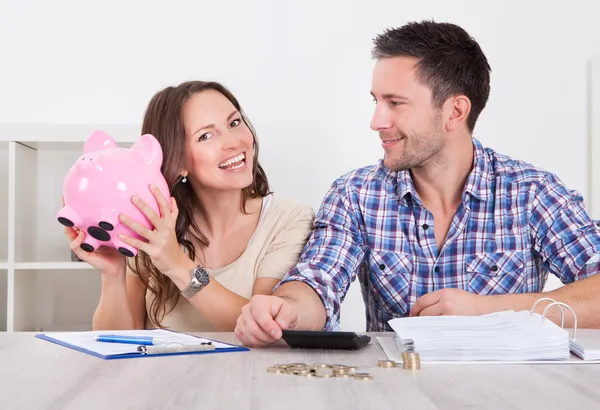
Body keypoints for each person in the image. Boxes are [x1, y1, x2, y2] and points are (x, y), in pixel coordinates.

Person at [234, 20, 600, 347]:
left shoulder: (533, 193)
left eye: (395, 103)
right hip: (395, 392)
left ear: (455, 112)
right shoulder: (356, 194)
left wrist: (491, 310)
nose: (376, 121)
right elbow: (317, 282)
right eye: (376, 101)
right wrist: (285, 310)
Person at [64, 80, 315, 332]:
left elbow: (266, 327)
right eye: (206, 135)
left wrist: (177, 264)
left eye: (234, 123)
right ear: (177, 159)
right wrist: (113, 274)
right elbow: (118, 343)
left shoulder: (289, 219)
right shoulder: (153, 223)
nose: (234, 142)